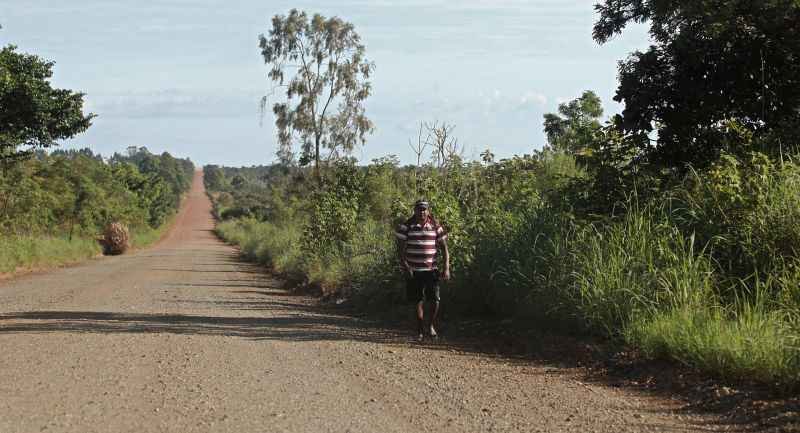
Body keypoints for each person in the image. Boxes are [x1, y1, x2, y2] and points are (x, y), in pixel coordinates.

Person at [395, 199, 451, 341]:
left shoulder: (435, 226)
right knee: (417, 300)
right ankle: (419, 330)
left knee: (435, 300)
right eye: (419, 209)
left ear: (428, 210)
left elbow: (444, 248)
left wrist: (446, 268)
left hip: (432, 269)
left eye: (424, 209)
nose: (422, 212)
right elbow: (400, 250)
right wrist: (406, 267)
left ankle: (430, 325)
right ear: (414, 210)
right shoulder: (406, 226)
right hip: (413, 270)